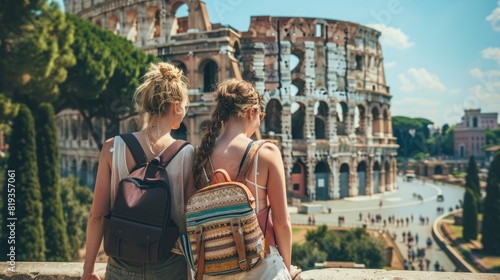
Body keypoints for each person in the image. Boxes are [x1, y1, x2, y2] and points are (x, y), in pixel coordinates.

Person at [81, 62, 194, 280]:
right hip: (169, 264)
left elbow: (97, 216)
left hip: (121, 263)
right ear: (176, 106)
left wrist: (88, 269)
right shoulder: (188, 154)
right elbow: (190, 222)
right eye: (186, 106)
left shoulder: (112, 147)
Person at [192, 79, 299, 279]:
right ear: (251, 112)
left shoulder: (200, 154)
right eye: (261, 115)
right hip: (260, 265)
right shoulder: (266, 152)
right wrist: (287, 265)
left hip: (214, 267)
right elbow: (282, 221)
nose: (260, 120)